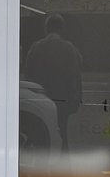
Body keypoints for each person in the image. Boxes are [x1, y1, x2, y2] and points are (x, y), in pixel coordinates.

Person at [23, 13, 84, 150]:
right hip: (62, 98)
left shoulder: (36, 47)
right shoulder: (68, 48)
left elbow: (28, 73)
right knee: (62, 131)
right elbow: (75, 73)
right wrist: (76, 98)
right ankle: (61, 162)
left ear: (46, 28)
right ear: (62, 29)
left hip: (40, 96)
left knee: (40, 132)